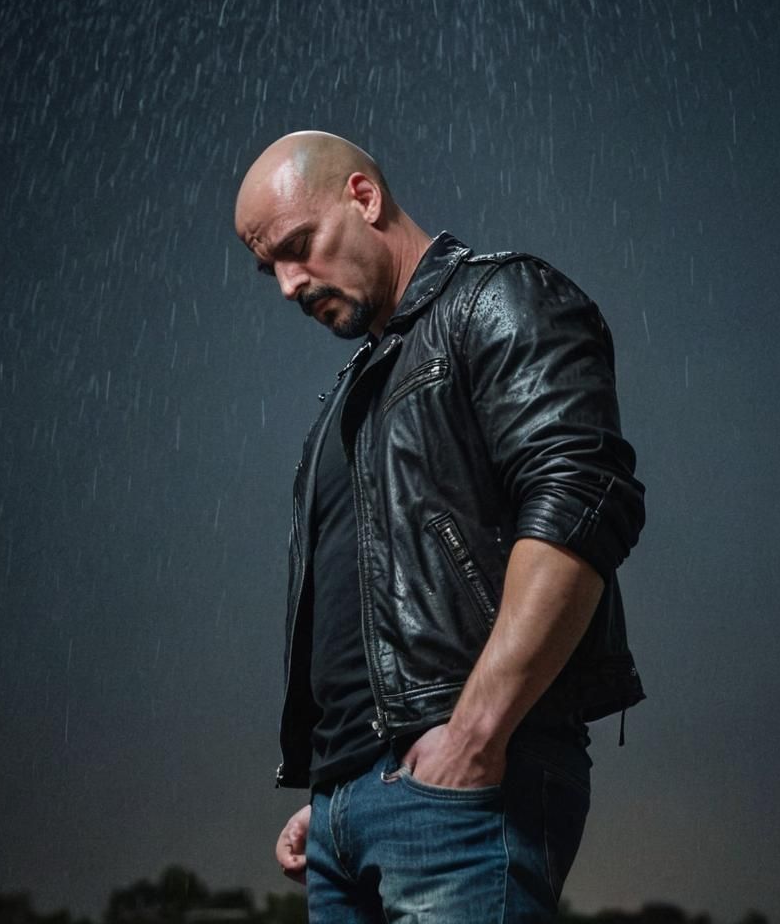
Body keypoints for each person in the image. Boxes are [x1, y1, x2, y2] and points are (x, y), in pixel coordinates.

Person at [233, 131, 645, 923]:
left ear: (364, 197)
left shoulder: (498, 298)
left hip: (466, 789)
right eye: (269, 268)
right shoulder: (347, 403)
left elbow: (582, 496)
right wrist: (339, 790)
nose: (287, 284)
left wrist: (474, 735)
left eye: (298, 247)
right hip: (348, 814)